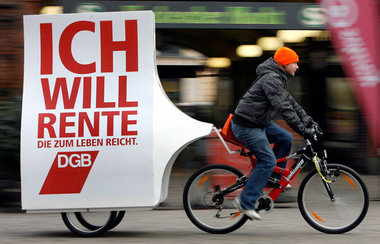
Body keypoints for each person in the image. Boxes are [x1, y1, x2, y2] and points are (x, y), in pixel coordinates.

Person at [231, 46, 316, 220]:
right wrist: (303, 130)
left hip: (258, 121)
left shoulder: (277, 78)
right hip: (247, 125)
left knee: (285, 138)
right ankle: (245, 202)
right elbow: (283, 108)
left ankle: (274, 178)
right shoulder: (271, 79)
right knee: (268, 160)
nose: (297, 67)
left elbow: (290, 102)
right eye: (295, 63)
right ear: (284, 63)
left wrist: (308, 120)